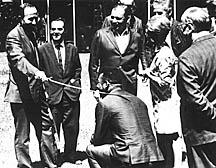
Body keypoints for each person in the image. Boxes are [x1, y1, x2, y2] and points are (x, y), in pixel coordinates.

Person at [4, 3, 58, 168]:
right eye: (31, 18)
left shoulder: (32, 32)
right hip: (20, 94)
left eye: (36, 17)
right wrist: (36, 72)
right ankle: (25, 165)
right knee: (23, 135)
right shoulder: (13, 36)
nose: (35, 21)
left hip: (37, 91)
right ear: (21, 18)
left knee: (46, 127)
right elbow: (19, 60)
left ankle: (50, 163)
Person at [177, 6, 216, 168]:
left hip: (200, 132)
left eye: (183, 26)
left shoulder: (187, 58)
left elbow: (194, 99)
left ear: (190, 27)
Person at [86, 70, 164, 168]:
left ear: (106, 84)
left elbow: (98, 138)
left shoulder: (105, 103)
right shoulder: (139, 100)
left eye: (99, 84)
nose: (97, 87)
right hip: (154, 155)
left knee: (91, 150)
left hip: (129, 157)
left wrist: (100, 103)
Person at [38, 17, 82, 165]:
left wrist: (75, 82)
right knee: (52, 128)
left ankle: (70, 156)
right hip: (52, 95)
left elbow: (77, 68)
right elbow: (39, 71)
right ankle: (54, 159)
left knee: (71, 127)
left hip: (70, 95)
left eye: (59, 29)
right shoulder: (42, 49)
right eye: (54, 29)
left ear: (64, 31)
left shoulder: (72, 49)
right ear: (50, 31)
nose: (56, 32)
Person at [144, 15, 182, 168]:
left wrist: (148, 74)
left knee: (165, 142)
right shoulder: (164, 50)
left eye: (151, 33)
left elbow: (165, 83)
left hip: (165, 104)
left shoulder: (164, 55)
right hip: (162, 102)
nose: (148, 36)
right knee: (164, 142)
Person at [89, 4, 148, 96]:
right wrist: (95, 87)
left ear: (127, 18)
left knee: (129, 109)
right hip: (108, 83)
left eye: (118, 18)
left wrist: (145, 69)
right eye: (112, 17)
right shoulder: (100, 35)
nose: (114, 21)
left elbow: (142, 53)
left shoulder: (136, 37)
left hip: (129, 83)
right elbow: (93, 63)